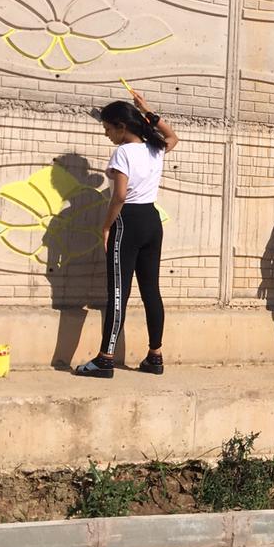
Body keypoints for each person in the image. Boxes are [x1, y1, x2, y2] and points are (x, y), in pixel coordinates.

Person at [74, 91, 178, 378]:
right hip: (151, 221)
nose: (107, 134)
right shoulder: (154, 147)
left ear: (122, 127)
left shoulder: (123, 152)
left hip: (127, 220)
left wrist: (107, 226)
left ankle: (105, 359)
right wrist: (148, 110)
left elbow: (119, 195)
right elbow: (173, 137)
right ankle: (154, 356)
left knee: (118, 292)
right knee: (151, 291)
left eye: (108, 128)